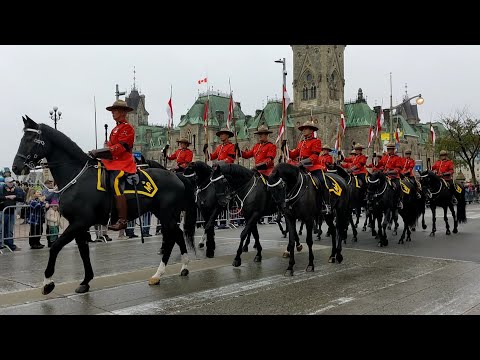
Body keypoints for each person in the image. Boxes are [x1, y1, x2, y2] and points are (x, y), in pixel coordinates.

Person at [88, 99, 136, 231]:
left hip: (123, 162)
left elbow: (121, 147)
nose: (113, 113)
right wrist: (104, 148)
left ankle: (122, 220)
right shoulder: (116, 128)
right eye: (112, 111)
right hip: (112, 161)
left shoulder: (127, 128)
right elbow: (111, 146)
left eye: (115, 111)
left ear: (122, 112)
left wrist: (101, 151)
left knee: (115, 181)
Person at [282, 120, 331, 214]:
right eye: (303, 129)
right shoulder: (301, 143)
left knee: (322, 181)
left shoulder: (316, 141)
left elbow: (314, 156)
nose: (303, 130)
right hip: (301, 168)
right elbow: (292, 155)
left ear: (311, 130)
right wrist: (285, 147)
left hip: (313, 167)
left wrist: (302, 163)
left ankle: (326, 204)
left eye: (305, 129)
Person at [0, 177, 25, 251]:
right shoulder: (1, 189)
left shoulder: (16, 189)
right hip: (2, 211)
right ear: (6, 183)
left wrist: (15, 196)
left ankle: (10, 245)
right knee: (1, 229)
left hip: (11, 212)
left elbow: (22, 198)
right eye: (10, 182)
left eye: (12, 182)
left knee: (10, 230)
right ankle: (1, 244)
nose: (11, 183)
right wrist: (6, 197)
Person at [378, 143, 404, 209]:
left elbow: (398, 169)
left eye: (390, 149)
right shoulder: (384, 157)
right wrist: (376, 161)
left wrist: (389, 172)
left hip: (393, 177)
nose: (388, 150)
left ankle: (399, 201)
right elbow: (380, 165)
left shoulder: (397, 158)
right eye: (388, 149)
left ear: (393, 150)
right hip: (384, 176)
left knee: (398, 186)